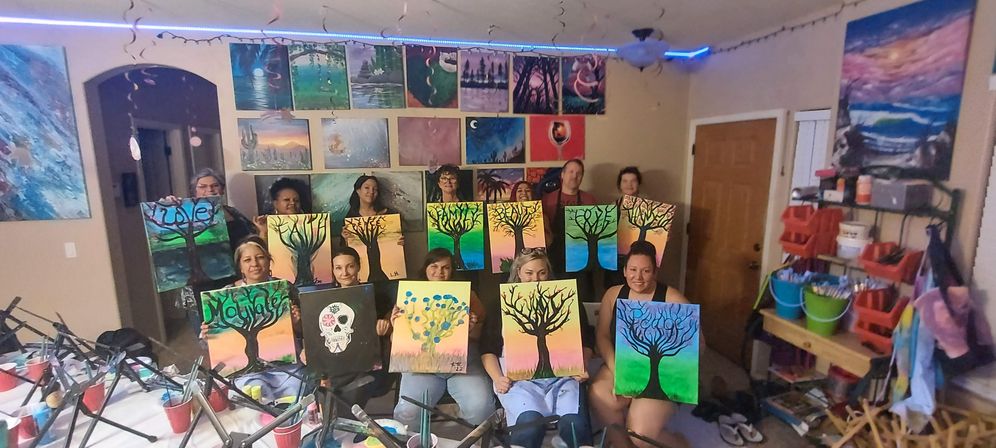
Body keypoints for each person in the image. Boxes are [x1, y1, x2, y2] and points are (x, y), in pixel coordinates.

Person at [480, 248, 594, 448]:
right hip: (519, 382)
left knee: (574, 426)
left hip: (564, 378)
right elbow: (488, 348)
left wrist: (582, 364)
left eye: (542, 273)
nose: (536, 279)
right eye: (529, 273)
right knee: (529, 426)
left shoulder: (568, 299)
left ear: (548, 273)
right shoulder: (501, 303)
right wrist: (498, 378)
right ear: (518, 273)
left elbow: (586, 340)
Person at [589, 241, 692, 448]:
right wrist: (619, 371)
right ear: (625, 271)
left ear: (655, 272)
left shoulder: (673, 298)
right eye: (633, 270)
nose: (638, 277)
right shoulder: (613, 294)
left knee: (640, 435)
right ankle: (621, 444)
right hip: (625, 363)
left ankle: (679, 443)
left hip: (662, 373)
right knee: (599, 394)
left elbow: (697, 345)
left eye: (646, 271)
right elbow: (602, 336)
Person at [392, 249, 495, 429]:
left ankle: (478, 441)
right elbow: (395, 340)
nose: (439, 272)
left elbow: (483, 335)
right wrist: (397, 326)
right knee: (408, 411)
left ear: (452, 271)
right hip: (422, 364)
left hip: (463, 362)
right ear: (425, 269)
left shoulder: (467, 295)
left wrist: (470, 329)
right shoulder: (410, 295)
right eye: (434, 266)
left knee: (481, 408)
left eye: (445, 267)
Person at [541, 159, 597, 300]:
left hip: (581, 259)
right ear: (562, 175)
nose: (574, 176)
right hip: (555, 257)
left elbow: (596, 230)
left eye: (579, 173)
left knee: (582, 297)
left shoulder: (589, 200)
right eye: (571, 172)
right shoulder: (547, 199)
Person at [606, 166, 644, 287]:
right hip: (615, 261)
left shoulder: (649, 209)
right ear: (620, 185)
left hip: (639, 260)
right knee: (614, 291)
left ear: (639, 184)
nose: (629, 184)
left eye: (633, 181)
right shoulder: (612, 207)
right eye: (625, 181)